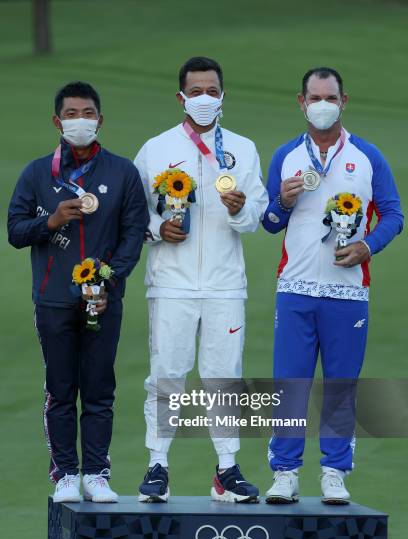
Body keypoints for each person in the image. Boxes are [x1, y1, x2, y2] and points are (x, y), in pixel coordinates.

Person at [262, 67, 403, 505]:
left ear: (344, 102)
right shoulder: (286, 156)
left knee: (340, 385)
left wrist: (367, 246)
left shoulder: (367, 156)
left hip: (347, 293)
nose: (322, 105)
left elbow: (394, 215)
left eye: (330, 97)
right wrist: (282, 203)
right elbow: (269, 223)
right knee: (291, 383)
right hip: (296, 288)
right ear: (301, 103)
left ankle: (334, 472)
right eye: (314, 98)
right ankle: (285, 472)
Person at [134, 56, 268, 503]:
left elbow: (256, 217)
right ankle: (158, 465)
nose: (205, 98)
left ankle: (226, 470)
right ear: (181, 97)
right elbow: (135, 215)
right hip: (171, 282)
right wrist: (157, 230)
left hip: (225, 283)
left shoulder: (244, 150)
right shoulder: (156, 149)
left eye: (212, 90)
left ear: (223, 95)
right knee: (168, 373)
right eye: (196, 91)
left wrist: (239, 209)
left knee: (223, 375)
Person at [8, 81, 149, 503]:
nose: (80, 121)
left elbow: (132, 235)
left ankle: (98, 474)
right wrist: (49, 223)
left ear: (100, 120)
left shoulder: (122, 172)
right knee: (61, 388)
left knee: (100, 388)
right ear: (57, 121)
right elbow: (15, 230)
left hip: (103, 301)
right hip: (52, 300)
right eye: (71, 114)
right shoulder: (37, 173)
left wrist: (110, 282)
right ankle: (66, 473)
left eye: (87, 113)